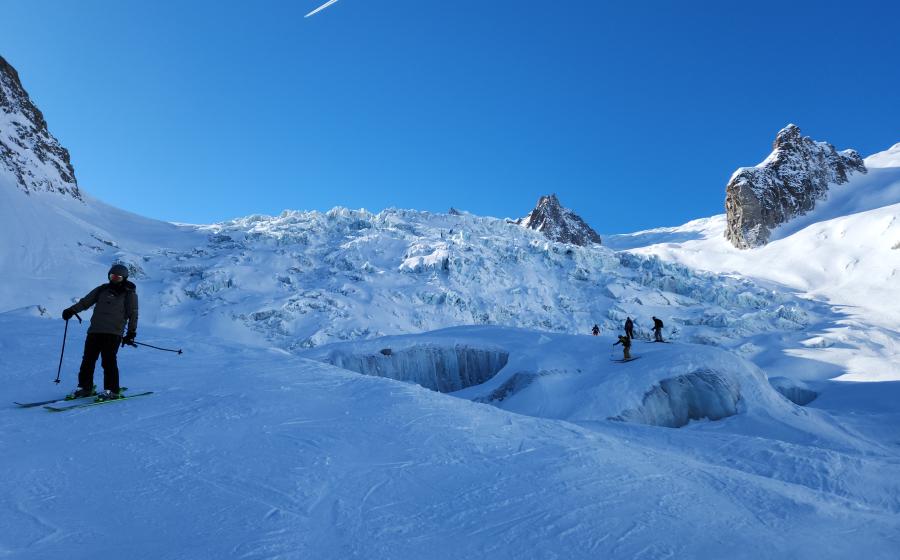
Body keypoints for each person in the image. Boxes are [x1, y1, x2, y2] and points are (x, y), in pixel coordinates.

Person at [62, 264, 139, 401]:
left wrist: (131, 333)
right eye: (112, 276)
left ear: (124, 278)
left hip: (113, 333)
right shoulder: (102, 290)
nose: (114, 279)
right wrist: (72, 310)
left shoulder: (129, 294)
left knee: (108, 361)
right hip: (95, 331)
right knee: (88, 360)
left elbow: (133, 314)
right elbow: (85, 302)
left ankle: (112, 390)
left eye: (118, 277)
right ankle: (85, 388)